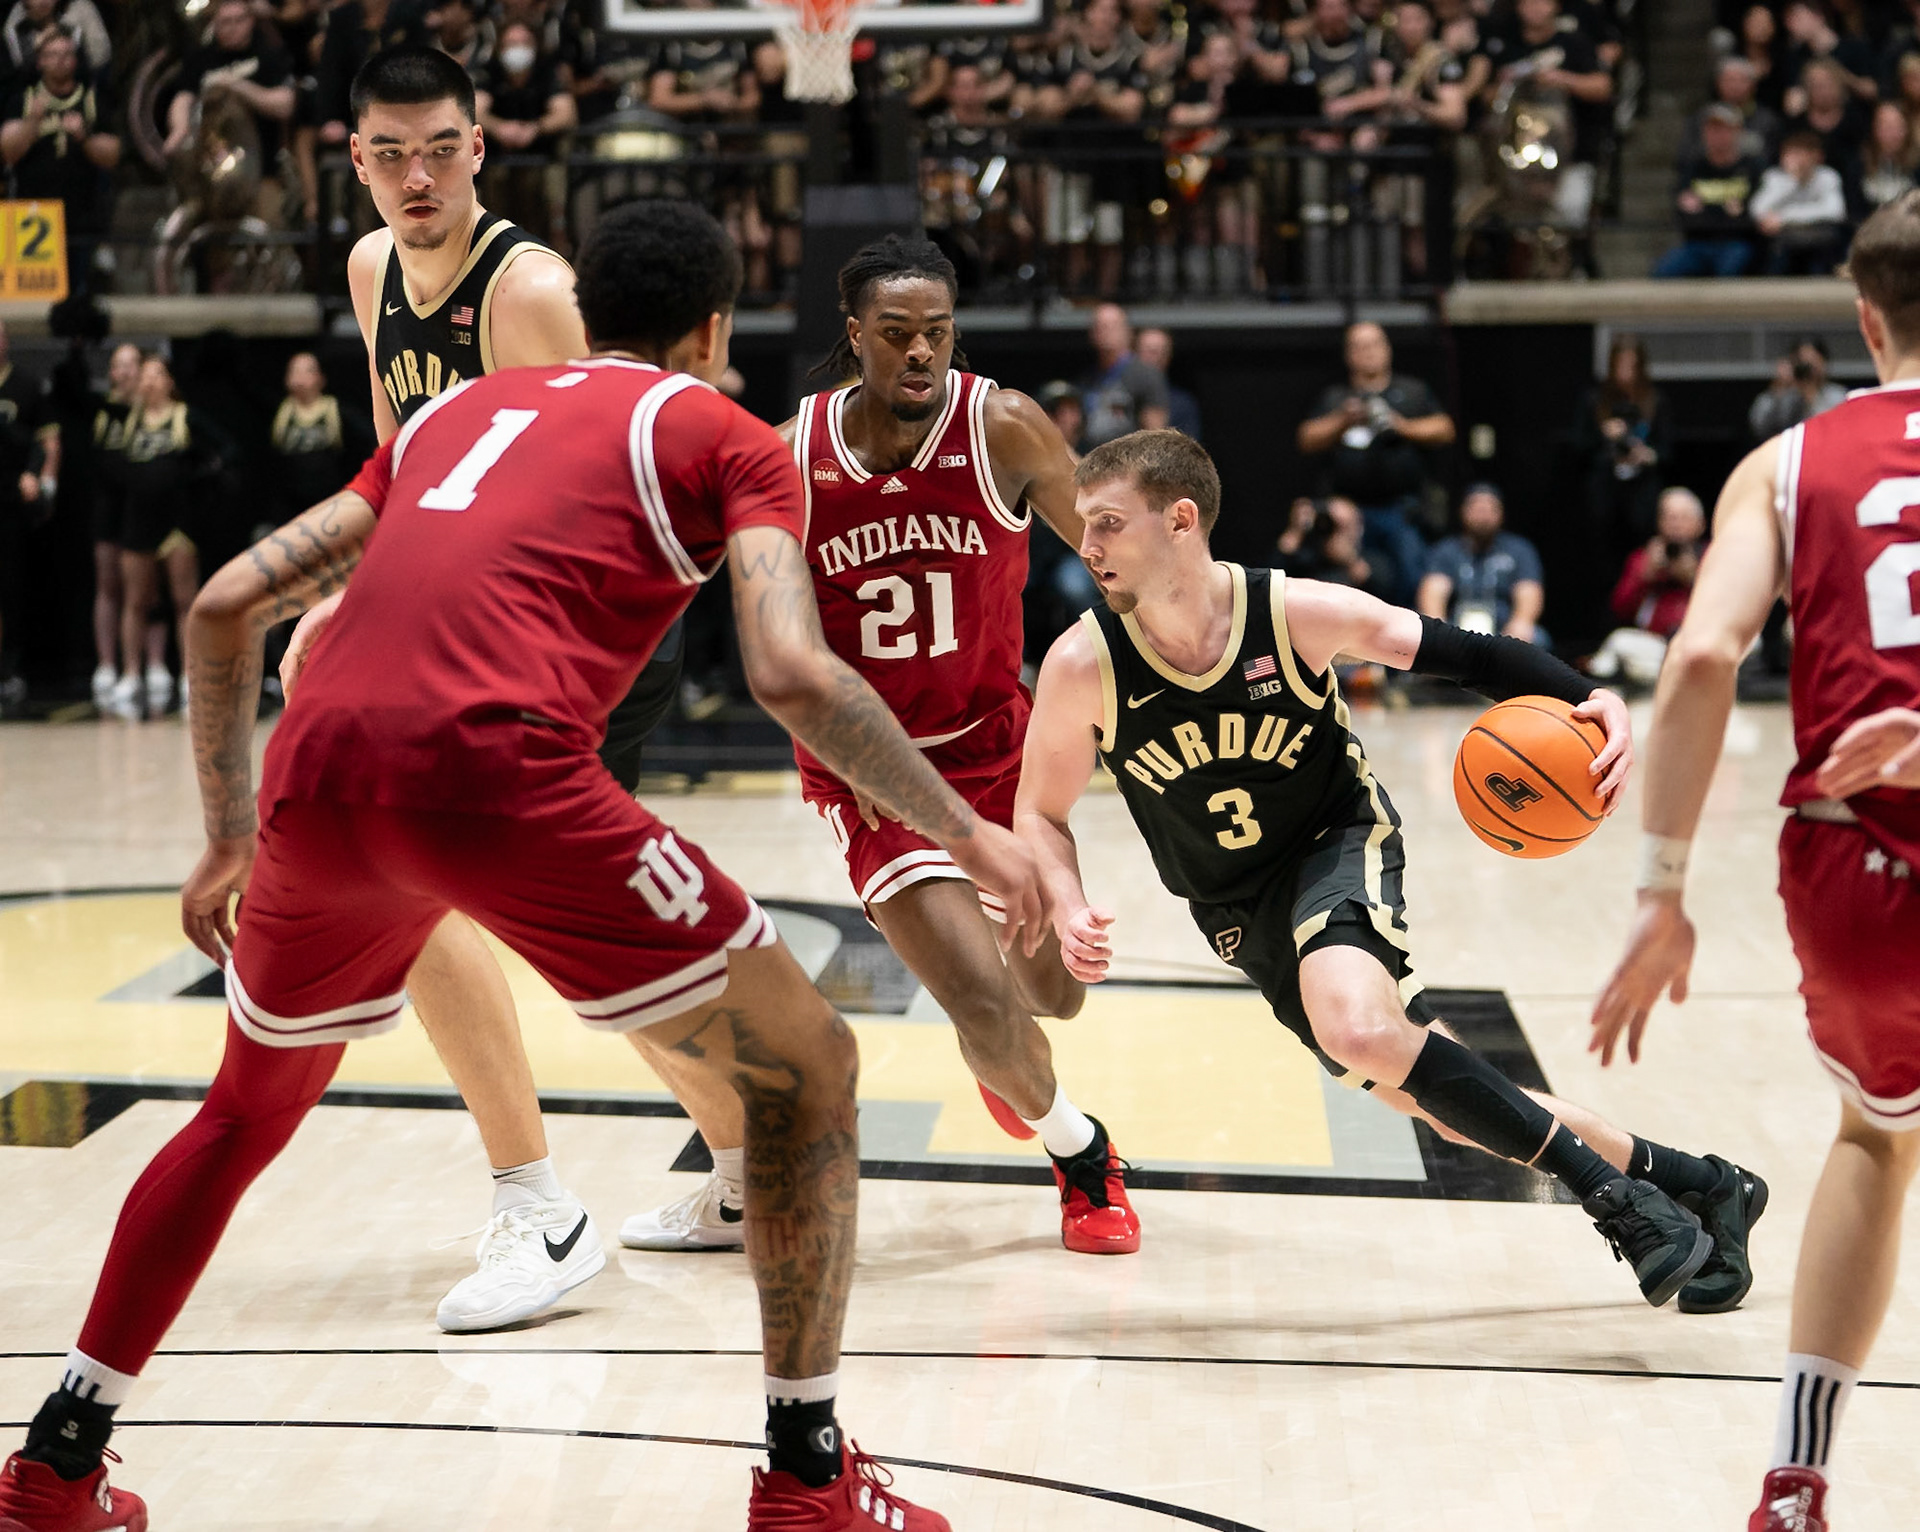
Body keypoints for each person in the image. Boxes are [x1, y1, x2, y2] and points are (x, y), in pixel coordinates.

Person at [0, 199, 1003, 1532]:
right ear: (714, 328)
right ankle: (807, 1477)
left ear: (582, 315)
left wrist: (229, 834)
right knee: (809, 1063)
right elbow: (788, 674)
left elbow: (226, 604)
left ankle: (58, 1463)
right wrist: (977, 833)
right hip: (497, 767)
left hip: (316, 773)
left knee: (242, 1113)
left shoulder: (447, 420)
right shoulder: (730, 434)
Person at [1014, 427, 1769, 1330]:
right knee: (1443, 1103)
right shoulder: (1081, 663)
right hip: (1236, 908)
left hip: (1338, 839)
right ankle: (1704, 1185)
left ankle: (1613, 1200)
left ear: (1181, 520)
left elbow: (1469, 654)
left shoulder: (1291, 613)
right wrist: (1064, 903)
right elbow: (1040, 814)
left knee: (1362, 1027)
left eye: (1106, 523)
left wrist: (1584, 696)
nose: (1085, 545)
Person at [621, 235, 1140, 1257]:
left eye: (937, 335)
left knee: (1054, 996)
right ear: (854, 335)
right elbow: (666, 565)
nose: (919, 355)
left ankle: (1012, 1062)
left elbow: (1117, 557)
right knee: (984, 1005)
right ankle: (1083, 1151)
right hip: (875, 779)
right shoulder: (787, 457)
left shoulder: (1004, 428)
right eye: (897, 334)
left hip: (1000, 750)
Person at [276, 44, 684, 1333]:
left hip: (591, 627)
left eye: (438, 147)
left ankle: (545, 1206)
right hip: (479, 629)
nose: (415, 176)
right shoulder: (367, 270)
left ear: (480, 144)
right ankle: (726, 1162)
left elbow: (588, 500)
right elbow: (412, 466)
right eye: (388, 153)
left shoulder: (531, 295)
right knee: (591, 937)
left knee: (473, 890)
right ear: (354, 159)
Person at [1591, 189, 1920, 1532]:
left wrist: (1662, 889)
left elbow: (1705, 655)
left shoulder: (1783, 461)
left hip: (1850, 863)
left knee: (1875, 1135)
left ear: (1863, 315)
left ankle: (1795, 1485)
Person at [1296, 320, 1455, 608]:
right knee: (1350, 582)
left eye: (1374, 344)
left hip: (1401, 508)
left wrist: (1401, 426)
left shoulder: (1412, 391)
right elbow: (1306, 438)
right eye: (1360, 346)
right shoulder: (1336, 397)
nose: (1368, 352)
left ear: (1387, 349)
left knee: (1410, 575)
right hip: (1352, 512)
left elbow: (1444, 428)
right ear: (1349, 355)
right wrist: (1343, 420)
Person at [110, 354, 232, 721]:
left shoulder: (184, 417)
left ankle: (190, 678)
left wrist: (197, 479)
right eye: (143, 376)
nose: (148, 381)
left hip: (176, 522)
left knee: (184, 602)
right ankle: (132, 675)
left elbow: (226, 450)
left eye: (156, 375)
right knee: (135, 601)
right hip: (137, 520)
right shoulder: (128, 419)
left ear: (169, 382)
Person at [0, 29, 120, 298]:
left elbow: (112, 155)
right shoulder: (24, 100)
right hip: (32, 218)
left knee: (80, 297)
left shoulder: (91, 100)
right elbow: (8, 152)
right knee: (34, 297)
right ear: (40, 61)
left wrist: (84, 138)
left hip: (82, 215)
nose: (60, 61)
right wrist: (32, 123)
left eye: (67, 54)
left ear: (75, 60)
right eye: (52, 55)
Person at [163, 0, 296, 222]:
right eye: (225, 22)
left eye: (239, 20)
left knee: (269, 228)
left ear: (251, 21)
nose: (233, 27)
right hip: (208, 175)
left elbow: (285, 104)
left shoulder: (268, 55)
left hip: (262, 172)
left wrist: (235, 86)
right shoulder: (200, 58)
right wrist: (179, 128)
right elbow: (183, 97)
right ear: (214, 23)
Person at [1587, 486, 1707, 688]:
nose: (1676, 524)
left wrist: (1694, 579)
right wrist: (1645, 575)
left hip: (1702, 645)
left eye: (1683, 517)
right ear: (1659, 523)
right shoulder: (1644, 559)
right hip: (1657, 647)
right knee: (1619, 641)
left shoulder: (1714, 556)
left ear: (1700, 524)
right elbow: (1619, 609)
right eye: (1670, 517)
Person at [1576, 333, 1670, 562]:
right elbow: (1578, 446)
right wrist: (1604, 434)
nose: (1626, 372)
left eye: (1633, 365)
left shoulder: (1655, 401)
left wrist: (1648, 455)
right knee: (1603, 555)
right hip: (1604, 491)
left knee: (1641, 553)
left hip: (1642, 493)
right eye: (1621, 365)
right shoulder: (1594, 401)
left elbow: (1668, 449)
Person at [1416, 482, 1547, 644]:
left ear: (1501, 514)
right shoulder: (1446, 550)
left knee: (1537, 638)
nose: (1483, 515)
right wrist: (1438, 629)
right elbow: (1433, 592)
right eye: (1477, 508)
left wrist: (1521, 623)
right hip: (1456, 628)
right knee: (1419, 638)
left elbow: (1529, 591)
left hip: (1503, 629)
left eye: (1490, 509)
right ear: (1463, 511)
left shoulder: (1519, 550)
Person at [0, 317, 53, 713]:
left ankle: (9, 670)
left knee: (10, 589)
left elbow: (41, 443)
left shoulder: (25, 385)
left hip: (8, 505)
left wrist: (39, 480)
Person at [1653, 103, 1763, 278]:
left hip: (1736, 243)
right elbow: (1683, 214)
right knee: (1663, 271)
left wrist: (1707, 210)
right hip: (1697, 243)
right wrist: (1728, 212)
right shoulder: (1692, 167)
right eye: (1712, 129)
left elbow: (1755, 214)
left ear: (1738, 131)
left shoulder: (1751, 168)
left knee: (1731, 268)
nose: (1717, 135)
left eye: (1724, 129)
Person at [266, 352, 374, 532]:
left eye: (307, 371)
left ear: (321, 378)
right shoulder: (280, 414)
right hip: (291, 503)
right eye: (295, 371)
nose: (300, 378)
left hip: (328, 499)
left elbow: (366, 441)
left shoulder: (335, 411)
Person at [86, 341, 138, 712]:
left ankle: (138, 669)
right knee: (107, 585)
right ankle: (107, 665)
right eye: (119, 365)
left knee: (139, 591)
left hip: (138, 508)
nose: (126, 372)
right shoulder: (102, 411)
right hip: (108, 506)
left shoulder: (152, 413)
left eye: (132, 364)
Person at [1753, 129, 1849, 275]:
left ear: (1816, 156)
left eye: (1803, 154)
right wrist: (1792, 180)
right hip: (1784, 242)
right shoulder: (1774, 177)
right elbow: (1758, 209)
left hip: (1818, 241)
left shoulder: (1828, 176)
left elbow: (1835, 212)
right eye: (1793, 154)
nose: (1799, 161)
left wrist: (1784, 218)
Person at [1079, 302, 1169, 449]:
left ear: (1128, 331)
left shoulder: (1146, 374)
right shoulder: (1087, 378)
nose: (1105, 331)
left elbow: (1155, 435)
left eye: (1112, 326)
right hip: (1091, 461)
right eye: (1099, 326)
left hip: (1127, 463)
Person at [1749, 337, 1847, 440]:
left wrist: (1811, 393)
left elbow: (1834, 428)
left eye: (1811, 363)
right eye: (1802, 363)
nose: (1806, 370)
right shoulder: (1785, 396)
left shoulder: (1838, 395)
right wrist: (1779, 388)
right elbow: (1759, 426)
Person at [1136, 327, 1202, 440]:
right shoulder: (1119, 394)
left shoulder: (1182, 403)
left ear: (1168, 356)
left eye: (1159, 352)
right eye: (1148, 351)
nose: (1153, 358)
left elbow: (1188, 449)